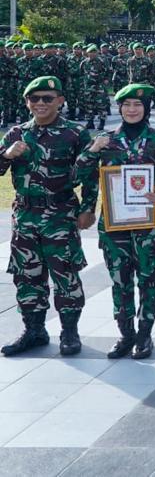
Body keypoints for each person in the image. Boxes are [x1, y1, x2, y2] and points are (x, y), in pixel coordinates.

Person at [0, 76, 95, 356]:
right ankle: (34, 330)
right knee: (27, 275)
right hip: (26, 214)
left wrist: (88, 208)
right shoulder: (16, 133)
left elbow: (90, 175)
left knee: (65, 274)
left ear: (60, 101)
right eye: (34, 99)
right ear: (27, 102)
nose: (40, 104)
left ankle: (69, 332)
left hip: (60, 213)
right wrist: (6, 155)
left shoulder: (76, 134)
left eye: (47, 98)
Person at [76, 84, 155, 359]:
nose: (131, 109)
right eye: (126, 105)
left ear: (146, 108)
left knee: (149, 277)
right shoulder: (106, 139)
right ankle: (125, 334)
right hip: (114, 222)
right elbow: (80, 173)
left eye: (137, 105)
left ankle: (145, 335)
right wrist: (93, 149)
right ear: (119, 108)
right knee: (120, 278)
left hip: (148, 221)